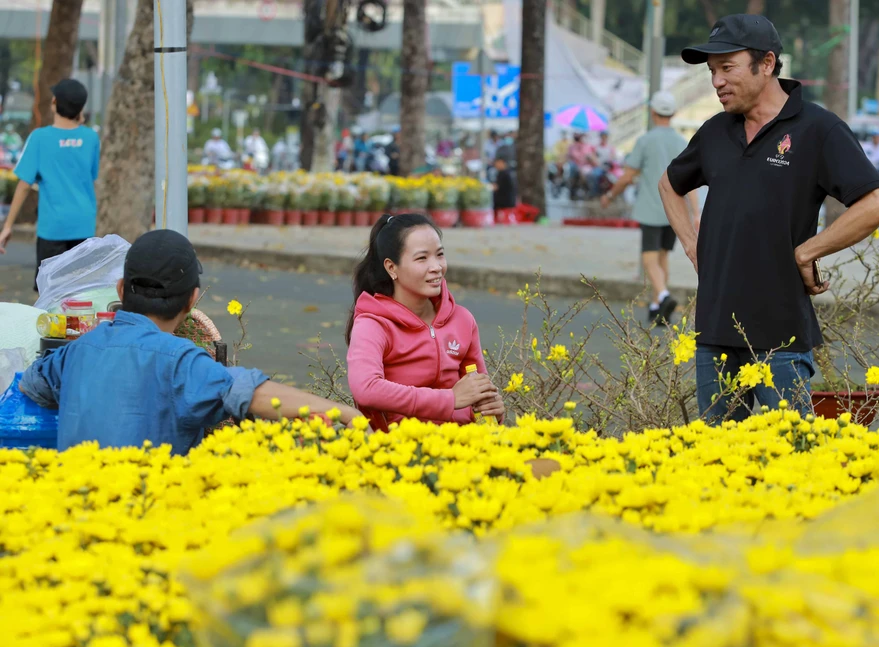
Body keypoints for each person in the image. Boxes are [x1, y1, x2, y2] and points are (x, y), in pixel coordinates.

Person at [660, 14, 879, 422]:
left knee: (792, 451)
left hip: (780, 336)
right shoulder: (715, 131)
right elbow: (669, 184)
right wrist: (693, 244)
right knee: (715, 458)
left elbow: (877, 204)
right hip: (713, 331)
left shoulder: (818, 129)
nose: (716, 81)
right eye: (713, 71)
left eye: (727, 68)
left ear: (766, 64)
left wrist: (808, 252)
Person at [19, 230, 363, 454]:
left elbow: (34, 383)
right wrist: (347, 413)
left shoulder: (76, 351)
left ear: (121, 290)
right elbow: (251, 392)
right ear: (191, 301)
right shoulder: (179, 360)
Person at [345, 214, 505, 432]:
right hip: (404, 450)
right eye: (422, 258)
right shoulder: (373, 324)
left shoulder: (462, 320)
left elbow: (477, 392)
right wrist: (449, 399)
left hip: (466, 444)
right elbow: (366, 389)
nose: (436, 267)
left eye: (440, 255)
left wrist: (492, 408)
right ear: (392, 268)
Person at [601, 91, 700, 326]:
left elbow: (627, 176)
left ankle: (663, 295)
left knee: (649, 259)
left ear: (653, 112)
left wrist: (609, 195)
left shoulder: (645, 141)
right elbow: (692, 182)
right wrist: (695, 213)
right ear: (673, 113)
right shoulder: (680, 142)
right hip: (675, 212)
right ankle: (657, 307)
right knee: (663, 257)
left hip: (651, 208)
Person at [0, 79, 100, 291]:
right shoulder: (91, 138)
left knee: (49, 293)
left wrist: (8, 226)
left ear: (54, 102)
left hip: (53, 228)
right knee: (79, 292)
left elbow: (24, 185)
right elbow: (91, 176)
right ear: (80, 109)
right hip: (83, 224)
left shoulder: (39, 138)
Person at [587, 132, 617, 197]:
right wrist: (596, 162)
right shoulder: (596, 147)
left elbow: (613, 157)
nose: (604, 138)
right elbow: (592, 157)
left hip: (608, 167)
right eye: (602, 136)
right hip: (599, 167)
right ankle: (595, 193)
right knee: (594, 175)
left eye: (605, 136)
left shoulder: (610, 148)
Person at [565, 133, 595, 198]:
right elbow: (570, 156)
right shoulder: (573, 146)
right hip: (576, 165)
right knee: (572, 168)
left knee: (588, 173)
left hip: (585, 166)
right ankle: (572, 188)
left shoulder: (588, 147)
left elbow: (590, 157)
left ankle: (588, 189)